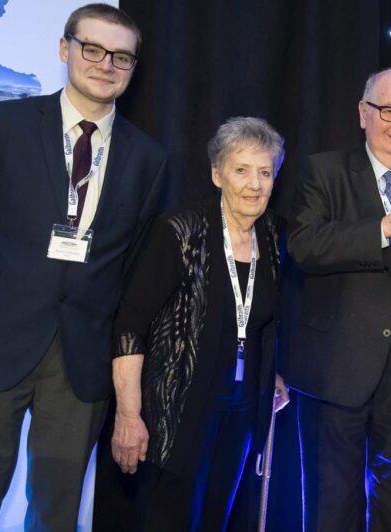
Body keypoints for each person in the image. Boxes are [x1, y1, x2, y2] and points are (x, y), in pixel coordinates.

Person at [0, 3, 166, 530]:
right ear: (65, 49)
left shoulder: (149, 159)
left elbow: (130, 270)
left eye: (121, 56)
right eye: (92, 49)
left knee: (56, 513)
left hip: (80, 359)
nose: (105, 64)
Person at [278, 67, 391, 531]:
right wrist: (386, 226)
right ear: (363, 114)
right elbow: (306, 247)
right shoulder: (324, 171)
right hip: (337, 364)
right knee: (331, 503)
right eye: (389, 110)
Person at [108, 116, 290, 530]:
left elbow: (268, 321)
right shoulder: (181, 232)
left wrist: (275, 372)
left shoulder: (276, 236)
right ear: (216, 174)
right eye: (241, 170)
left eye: (265, 172)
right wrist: (128, 414)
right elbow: (129, 326)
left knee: (215, 521)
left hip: (242, 413)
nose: (254, 184)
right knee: (169, 521)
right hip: (178, 410)